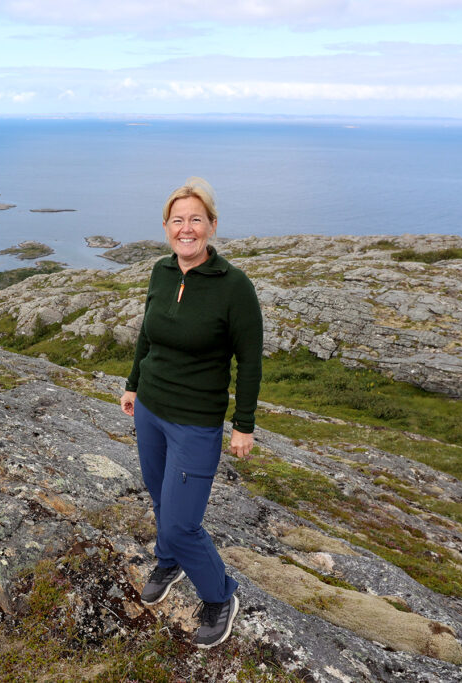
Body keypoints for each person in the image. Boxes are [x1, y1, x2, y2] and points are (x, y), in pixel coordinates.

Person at [120, 176, 263, 649]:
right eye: (177, 220)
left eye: (195, 220)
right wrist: (133, 385)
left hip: (196, 421)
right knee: (161, 498)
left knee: (183, 523)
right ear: (166, 227)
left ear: (212, 226)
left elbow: (250, 361)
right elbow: (147, 334)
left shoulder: (234, 287)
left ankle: (220, 595)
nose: (186, 228)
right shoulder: (161, 272)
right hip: (150, 409)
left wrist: (243, 425)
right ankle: (168, 562)